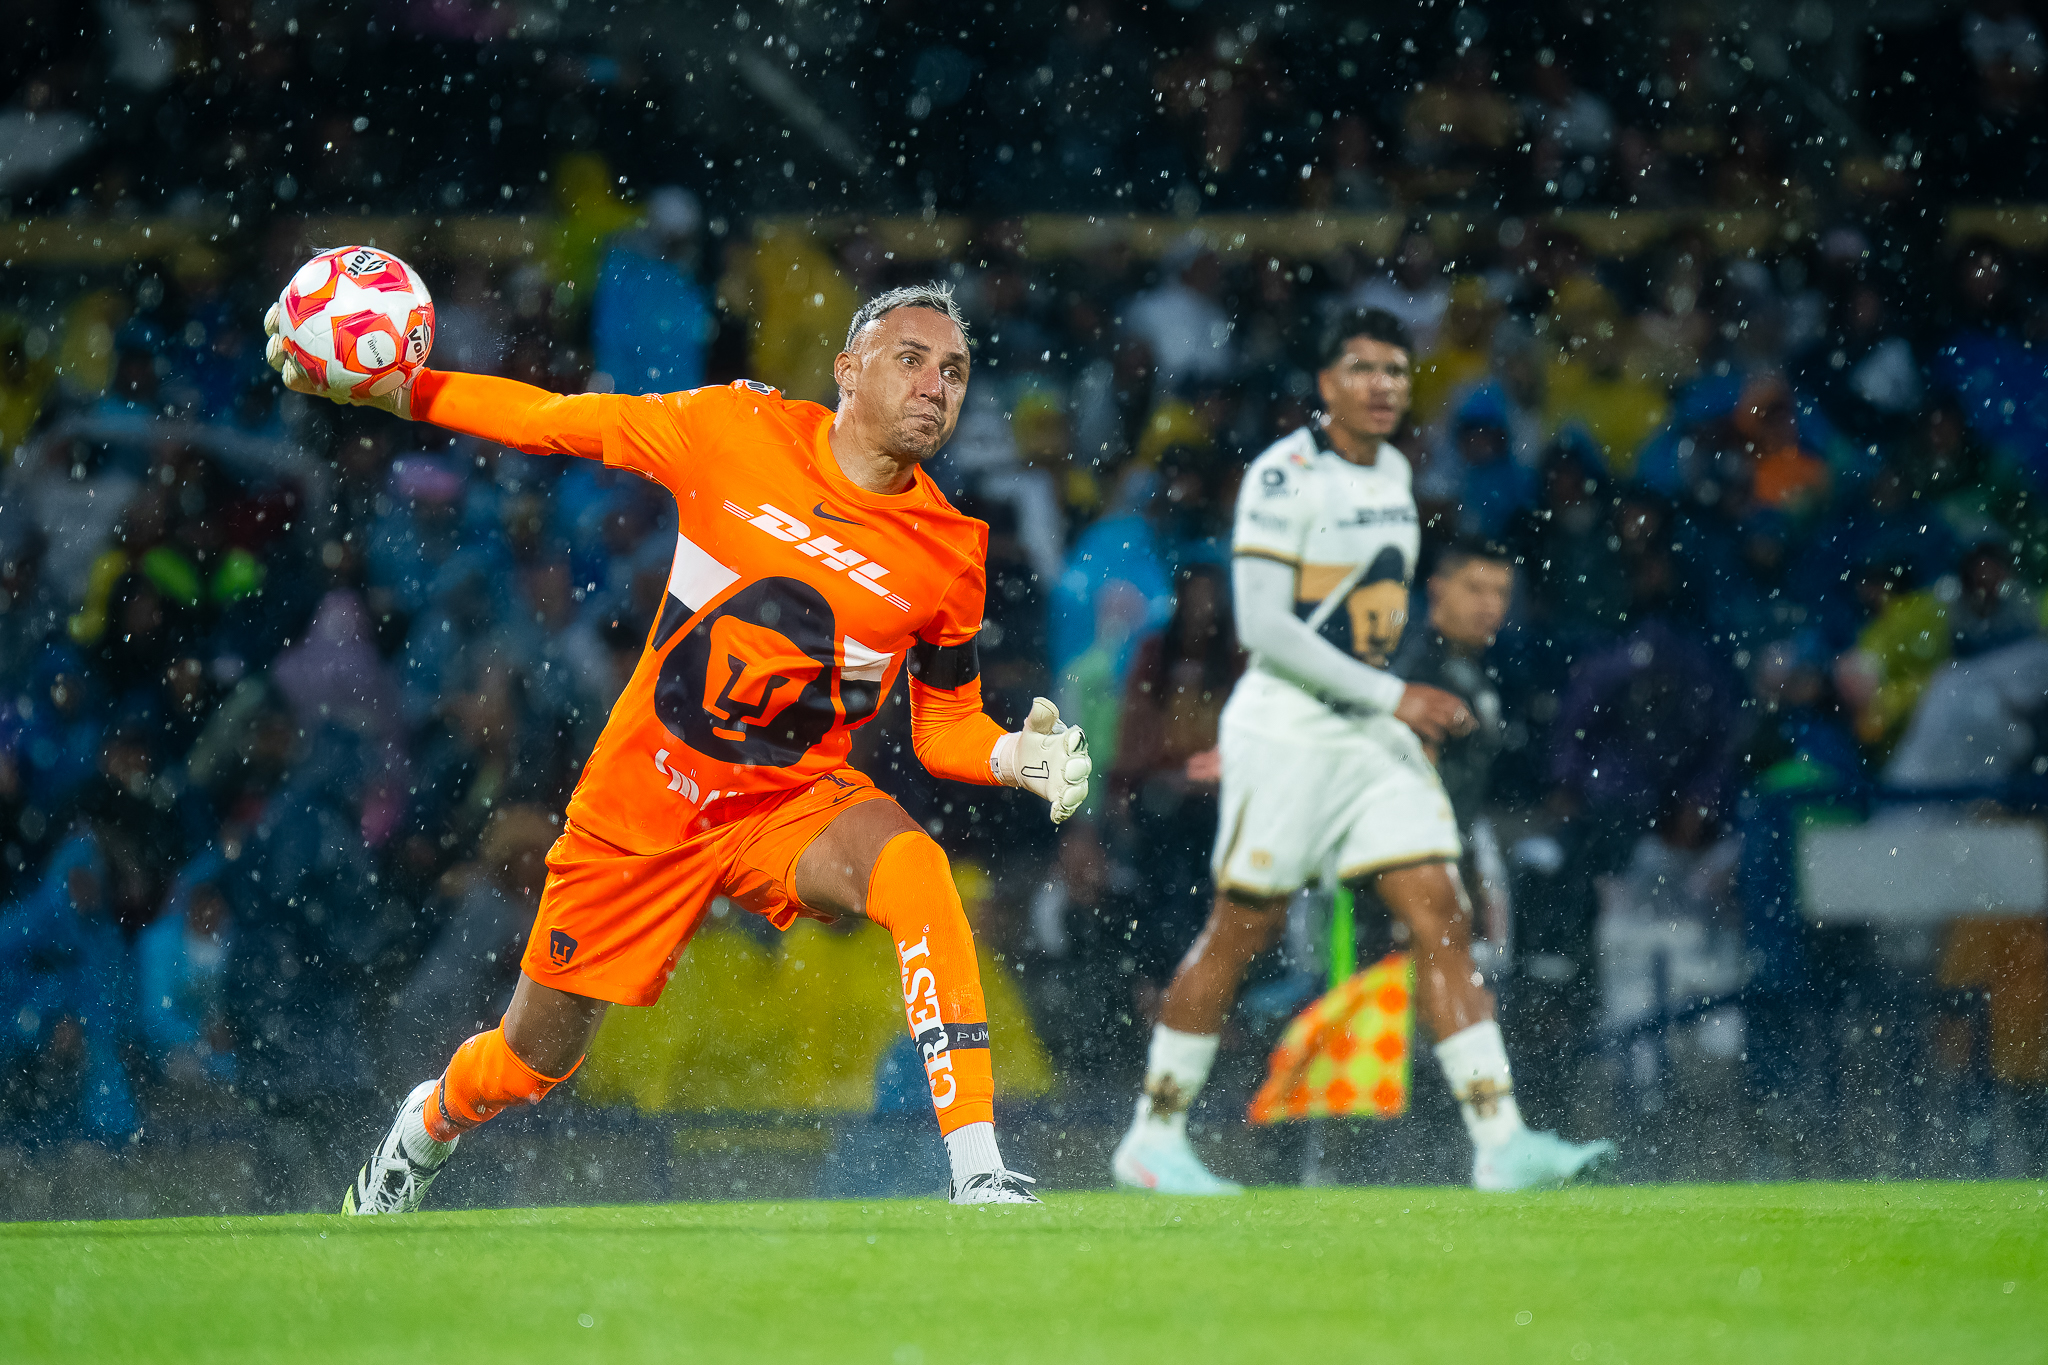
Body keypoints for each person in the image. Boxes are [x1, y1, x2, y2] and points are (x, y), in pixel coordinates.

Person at [266, 281, 1092, 1212]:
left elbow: (946, 722)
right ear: (847, 370)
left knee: (917, 871)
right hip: (646, 801)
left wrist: (1011, 758)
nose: (936, 385)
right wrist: (398, 393)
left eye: (955, 371)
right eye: (911, 358)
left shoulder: (950, 551)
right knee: (535, 1060)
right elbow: (550, 419)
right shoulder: (734, 429)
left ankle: (979, 1171)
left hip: (790, 802)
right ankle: (428, 1123)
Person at [1111, 308, 1612, 1195]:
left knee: (1440, 912)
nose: (1383, 384)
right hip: (1291, 725)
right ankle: (1152, 1136)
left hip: (1367, 732)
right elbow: (1265, 625)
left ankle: (1501, 1140)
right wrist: (1397, 694)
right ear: (1326, 383)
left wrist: (1385, 702)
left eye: (1395, 369)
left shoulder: (1392, 470)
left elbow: (1362, 617)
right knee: (1242, 927)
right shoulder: (1284, 474)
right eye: (1363, 368)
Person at [1390, 536, 1516, 950]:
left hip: (1454, 860)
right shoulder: (1415, 675)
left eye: (1501, 592)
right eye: (1475, 589)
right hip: (1408, 877)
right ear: (1437, 589)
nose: (1490, 606)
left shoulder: (1478, 673)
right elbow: (1405, 792)